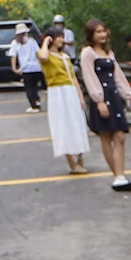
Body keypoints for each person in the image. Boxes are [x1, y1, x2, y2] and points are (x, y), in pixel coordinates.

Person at [78, 19, 131, 192]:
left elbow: (118, 76)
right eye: (98, 32)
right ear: (91, 34)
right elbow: (89, 77)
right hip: (102, 98)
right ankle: (117, 176)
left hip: (114, 96)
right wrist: (99, 101)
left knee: (120, 136)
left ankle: (120, 175)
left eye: (104, 31)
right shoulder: (88, 53)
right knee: (106, 136)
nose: (102, 34)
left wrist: (129, 96)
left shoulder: (108, 52)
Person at [40, 28, 90, 173]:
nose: (61, 40)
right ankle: (72, 164)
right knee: (61, 126)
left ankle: (80, 158)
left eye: (62, 37)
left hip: (70, 91)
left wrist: (80, 96)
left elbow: (73, 77)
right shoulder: (46, 54)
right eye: (58, 37)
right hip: (57, 92)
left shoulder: (65, 56)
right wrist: (45, 42)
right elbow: (43, 57)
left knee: (77, 123)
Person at [12, 24, 44, 110]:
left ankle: (34, 105)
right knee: (35, 87)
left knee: (29, 88)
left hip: (26, 69)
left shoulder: (15, 43)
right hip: (36, 67)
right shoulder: (32, 41)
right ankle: (37, 101)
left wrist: (14, 68)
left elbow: (13, 56)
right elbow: (38, 53)